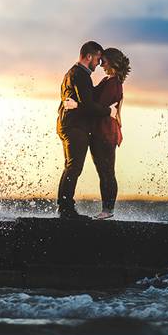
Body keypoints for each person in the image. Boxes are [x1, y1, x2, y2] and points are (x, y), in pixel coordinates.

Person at [64, 47, 129, 220]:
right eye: (100, 61)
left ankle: (108, 210)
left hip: (106, 131)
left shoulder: (114, 83)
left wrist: (77, 105)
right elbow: (92, 99)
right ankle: (106, 209)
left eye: (104, 61)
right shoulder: (107, 80)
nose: (101, 65)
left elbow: (97, 105)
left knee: (107, 171)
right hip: (99, 130)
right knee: (103, 171)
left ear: (113, 62)